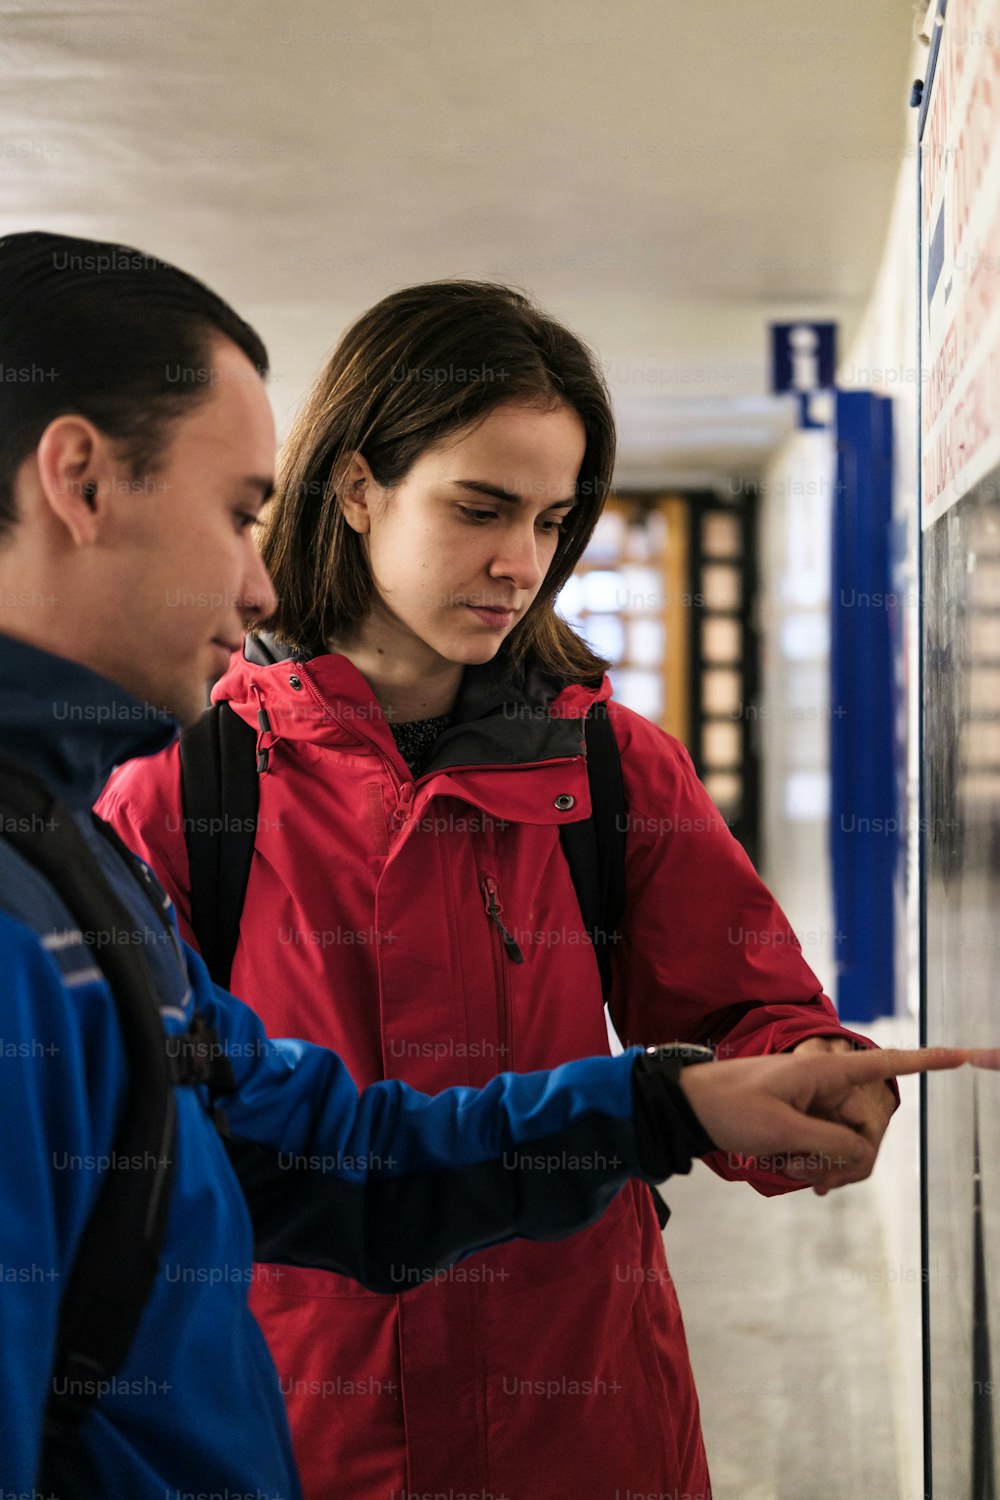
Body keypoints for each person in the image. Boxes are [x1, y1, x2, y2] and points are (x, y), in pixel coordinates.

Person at [0, 230, 963, 1499]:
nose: (523, 562)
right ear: (354, 488)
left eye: (554, 521)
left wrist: (791, 1081)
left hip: (583, 1406)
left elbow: (744, 1009)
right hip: (325, 1420)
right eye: (481, 508)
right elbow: (248, 1155)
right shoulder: (172, 796)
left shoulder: (611, 770)